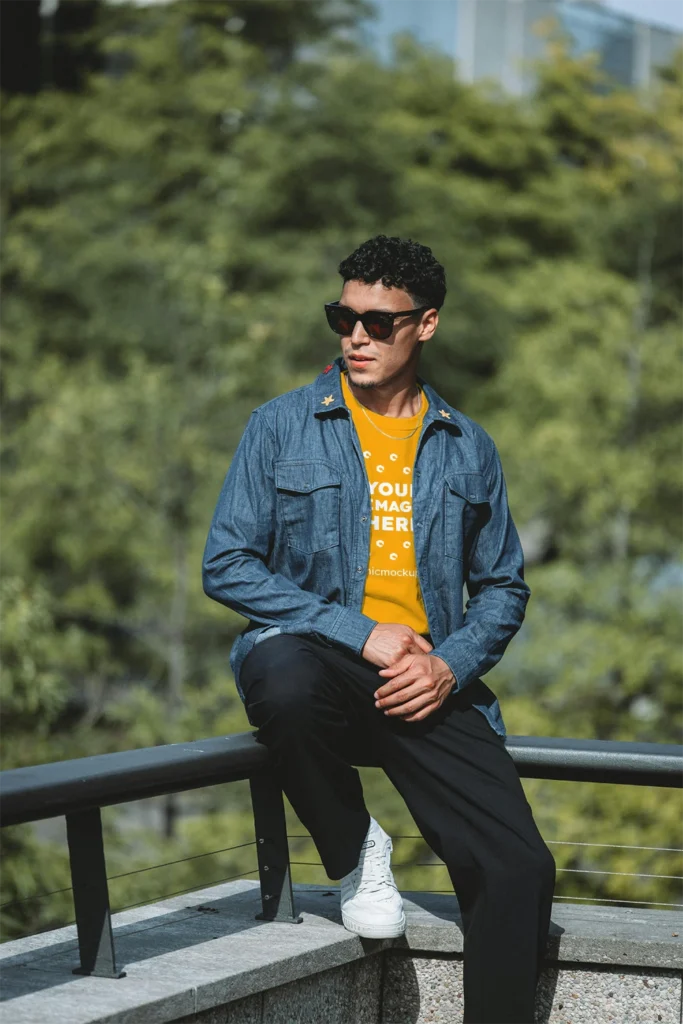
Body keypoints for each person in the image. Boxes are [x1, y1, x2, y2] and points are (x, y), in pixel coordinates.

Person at [202, 234, 555, 1023]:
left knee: (519, 870)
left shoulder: (468, 447)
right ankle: (356, 850)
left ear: (424, 325)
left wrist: (449, 666)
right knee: (278, 671)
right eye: (342, 316)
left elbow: (501, 586)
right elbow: (227, 564)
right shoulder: (280, 425)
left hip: (426, 681)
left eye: (377, 321)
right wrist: (358, 632)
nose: (354, 336)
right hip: (321, 664)